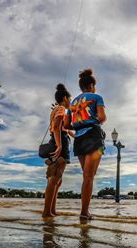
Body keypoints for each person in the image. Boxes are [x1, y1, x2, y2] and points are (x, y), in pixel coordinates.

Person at [64, 69, 106, 220]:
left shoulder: (73, 103)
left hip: (79, 139)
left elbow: (66, 124)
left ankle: (84, 211)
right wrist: (91, 121)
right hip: (93, 136)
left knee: (87, 176)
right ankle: (84, 212)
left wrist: (79, 124)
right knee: (89, 177)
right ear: (92, 85)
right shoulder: (96, 97)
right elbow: (102, 118)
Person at [43, 83, 73, 217]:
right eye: (70, 99)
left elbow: (62, 127)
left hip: (58, 139)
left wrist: (74, 135)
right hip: (60, 141)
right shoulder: (61, 108)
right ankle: (47, 212)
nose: (70, 102)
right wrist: (60, 145)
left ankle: (52, 210)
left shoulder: (55, 109)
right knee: (55, 178)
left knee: (57, 180)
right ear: (65, 98)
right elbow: (56, 127)